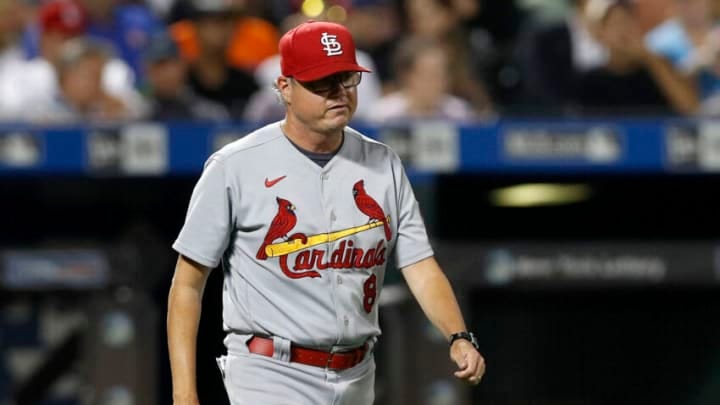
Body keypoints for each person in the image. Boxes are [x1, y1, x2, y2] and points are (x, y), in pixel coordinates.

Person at [167, 20, 485, 405]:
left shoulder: (382, 163)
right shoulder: (235, 165)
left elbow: (420, 265)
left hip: (357, 373)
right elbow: (187, 283)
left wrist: (458, 335)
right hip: (270, 372)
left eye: (346, 79)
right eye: (321, 82)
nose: (338, 93)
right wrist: (184, 392)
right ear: (284, 87)